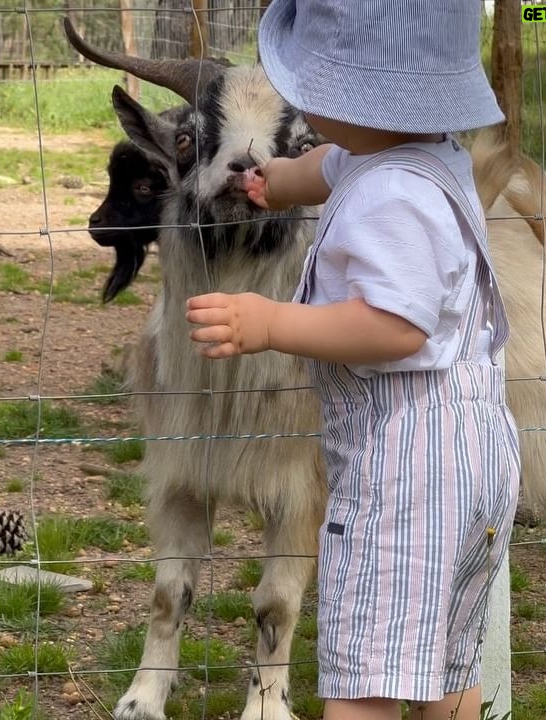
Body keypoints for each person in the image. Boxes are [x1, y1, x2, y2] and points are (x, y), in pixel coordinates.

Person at [186, 1, 521, 719]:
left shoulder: (388, 197)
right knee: (444, 656)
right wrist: (276, 181)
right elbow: (329, 165)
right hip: (476, 459)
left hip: (405, 470)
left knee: (367, 672)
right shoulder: (422, 155)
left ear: (351, 92)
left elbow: (394, 326)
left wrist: (273, 321)